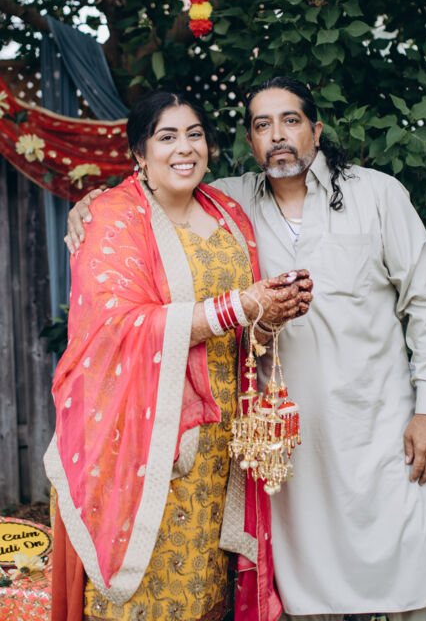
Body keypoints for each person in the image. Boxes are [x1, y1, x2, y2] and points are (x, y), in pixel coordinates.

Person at [66, 77, 426, 621]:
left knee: (420, 568)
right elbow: (156, 191)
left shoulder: (377, 194)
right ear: (250, 140)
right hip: (289, 443)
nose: (278, 135)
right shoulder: (230, 201)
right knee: (310, 585)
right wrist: (91, 205)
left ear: (316, 130)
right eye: (263, 125)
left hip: (382, 425)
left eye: (290, 121)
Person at [45, 89, 314, 621]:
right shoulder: (112, 217)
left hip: (222, 445)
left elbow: (244, 323)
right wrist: (241, 305)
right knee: (145, 595)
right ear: (140, 154)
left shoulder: (228, 212)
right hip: (144, 445)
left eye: (194, 134)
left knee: (206, 591)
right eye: (166, 137)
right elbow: (116, 326)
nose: (184, 148)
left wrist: (272, 311)